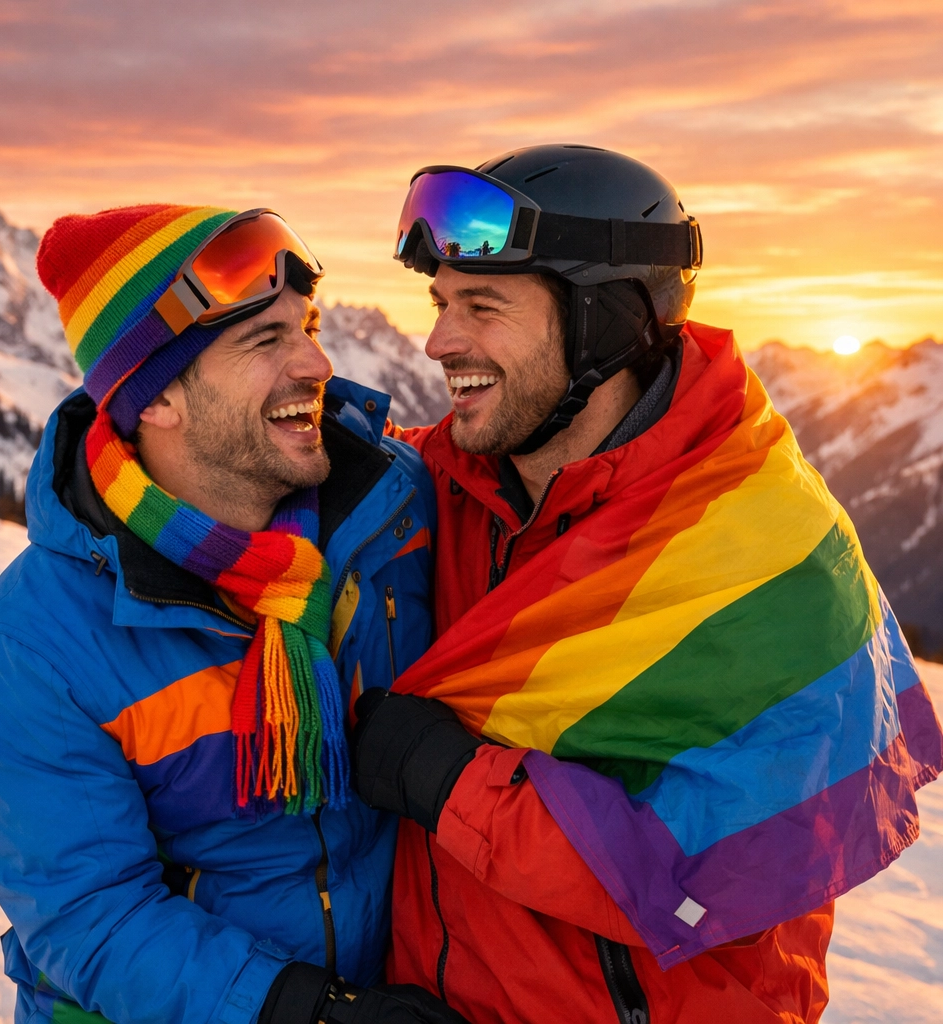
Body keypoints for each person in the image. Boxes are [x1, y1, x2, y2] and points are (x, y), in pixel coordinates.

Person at [353, 145, 943, 1023]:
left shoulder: (766, 553)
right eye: (440, 304)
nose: (438, 342)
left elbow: (714, 870)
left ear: (604, 321)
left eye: (482, 306)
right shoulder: (455, 488)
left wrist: (443, 777)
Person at [0, 204, 468, 1024]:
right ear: (155, 399)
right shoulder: (29, 650)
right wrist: (310, 1010)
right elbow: (93, 921)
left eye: (309, 327)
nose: (318, 363)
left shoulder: (391, 514)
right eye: (266, 341)